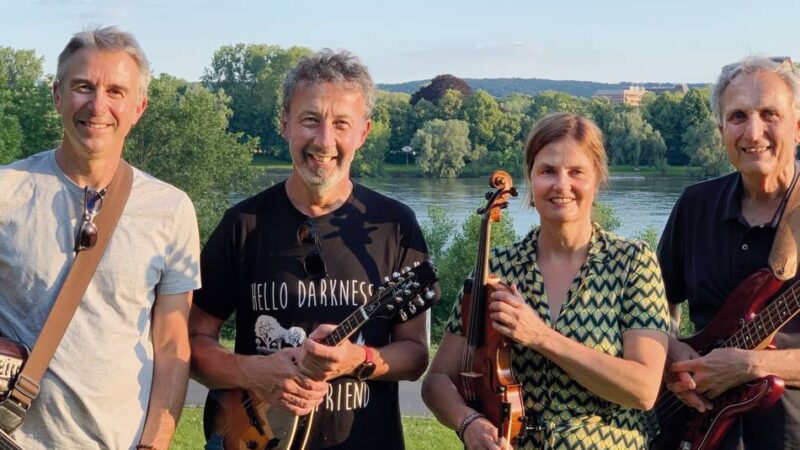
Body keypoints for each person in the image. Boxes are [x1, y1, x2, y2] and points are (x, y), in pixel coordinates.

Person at [189, 49, 434, 450]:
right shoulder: (243, 224)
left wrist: (358, 359)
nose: (324, 140)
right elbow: (191, 342)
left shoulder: (395, 225)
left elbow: (415, 356)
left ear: (363, 132)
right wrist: (251, 371)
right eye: (310, 120)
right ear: (284, 123)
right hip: (257, 437)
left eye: (341, 124)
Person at [0, 27, 200, 450]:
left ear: (139, 107)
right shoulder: (6, 191)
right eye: (83, 87)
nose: (97, 105)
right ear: (57, 95)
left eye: (115, 91)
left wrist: (155, 443)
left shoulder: (171, 209)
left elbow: (171, 344)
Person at [422, 112, 669, 450]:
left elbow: (643, 389)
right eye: (548, 171)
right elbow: (437, 380)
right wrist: (468, 423)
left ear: (597, 179)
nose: (561, 185)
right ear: (531, 178)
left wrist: (541, 337)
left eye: (576, 172)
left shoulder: (632, 262)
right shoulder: (497, 269)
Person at [659, 56, 800, 449]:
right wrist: (670, 350)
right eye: (738, 116)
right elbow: (652, 305)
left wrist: (750, 365)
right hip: (691, 431)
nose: (753, 132)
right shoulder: (695, 205)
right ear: (721, 130)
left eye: (770, 114)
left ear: (797, 126)